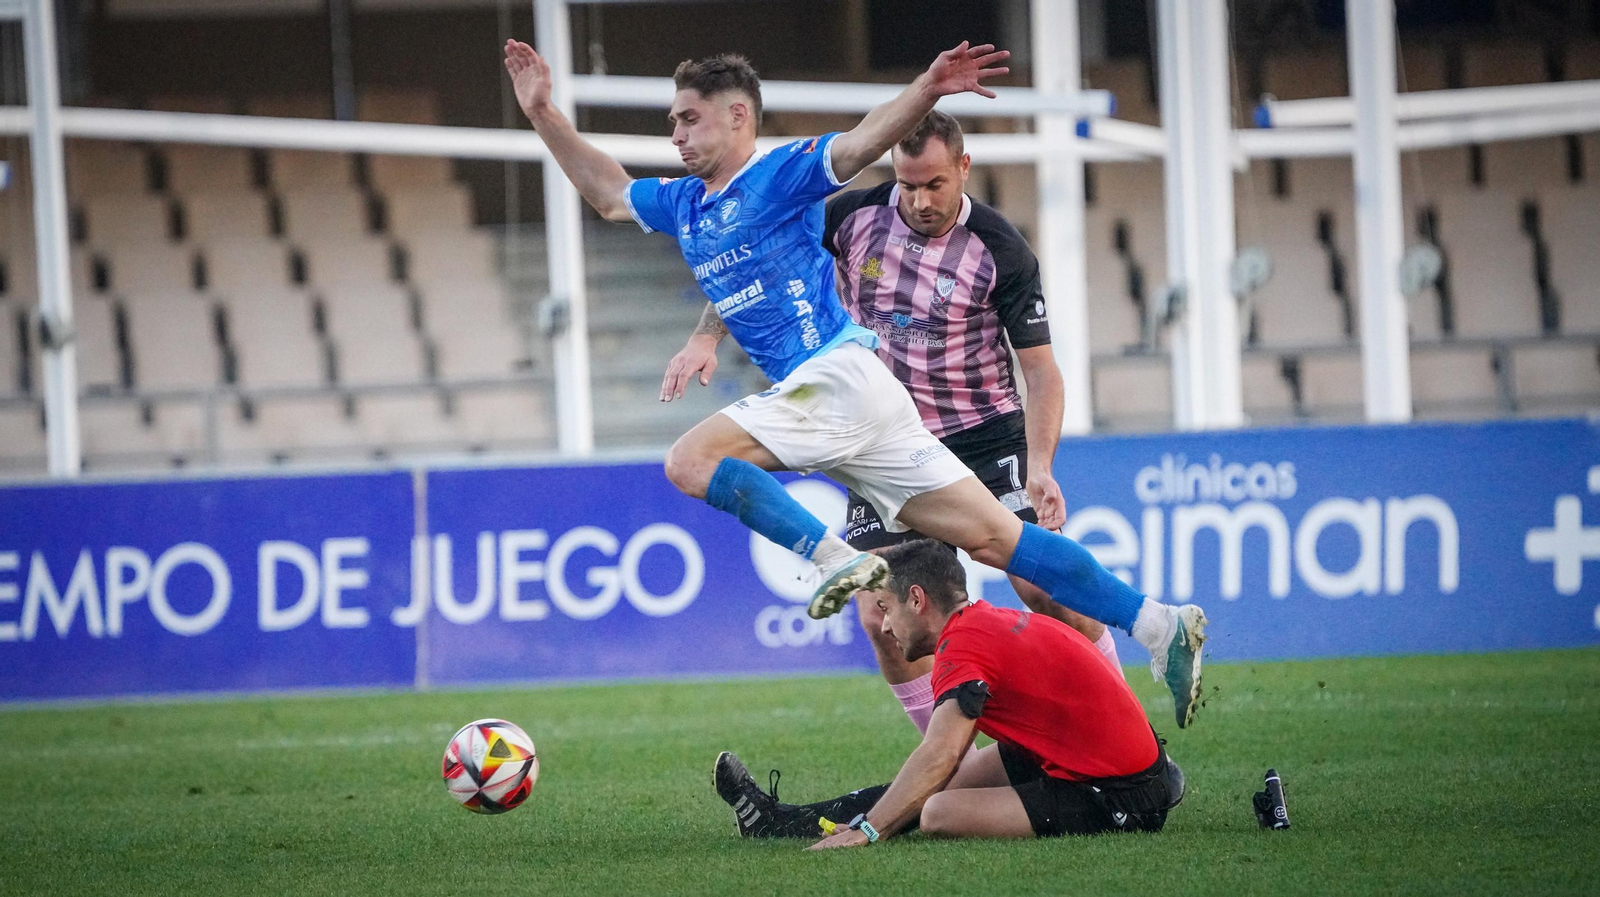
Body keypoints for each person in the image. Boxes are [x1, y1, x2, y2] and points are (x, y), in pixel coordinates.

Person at [503, 40, 1205, 724]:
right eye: (674, 122)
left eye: (690, 117)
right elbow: (606, 192)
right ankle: (1156, 622)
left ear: (739, 116)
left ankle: (836, 558)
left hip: (833, 380)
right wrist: (542, 113)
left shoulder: (780, 175)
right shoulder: (684, 204)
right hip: (871, 397)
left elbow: (863, 142)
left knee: (691, 460)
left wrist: (927, 90)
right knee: (998, 541)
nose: (677, 133)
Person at [669, 109, 1126, 733]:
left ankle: (1124, 726)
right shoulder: (852, 216)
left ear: (963, 169)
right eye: (908, 184)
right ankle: (952, 771)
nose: (919, 199)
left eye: (934, 184)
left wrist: (1042, 464)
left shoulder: (1002, 250)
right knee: (881, 618)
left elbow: (1041, 372)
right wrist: (705, 336)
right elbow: (753, 260)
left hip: (982, 436)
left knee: (1040, 588)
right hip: (882, 436)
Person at [713, 539, 1185, 845]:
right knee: (940, 787)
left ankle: (834, 827)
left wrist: (871, 832)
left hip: (1123, 794)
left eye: (886, 608)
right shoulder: (979, 623)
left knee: (938, 809)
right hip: (1113, 762)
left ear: (917, 599)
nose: (882, 624)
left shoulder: (962, 648)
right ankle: (779, 823)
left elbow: (939, 754)